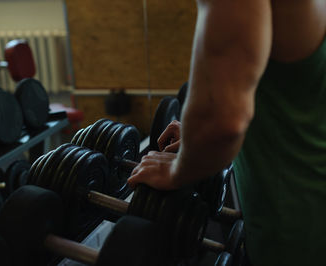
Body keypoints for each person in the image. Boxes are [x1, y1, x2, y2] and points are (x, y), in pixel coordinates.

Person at [127, 1, 326, 265]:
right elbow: (302, 96)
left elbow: (222, 123)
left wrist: (180, 169)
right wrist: (199, 139)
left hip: (298, 240)